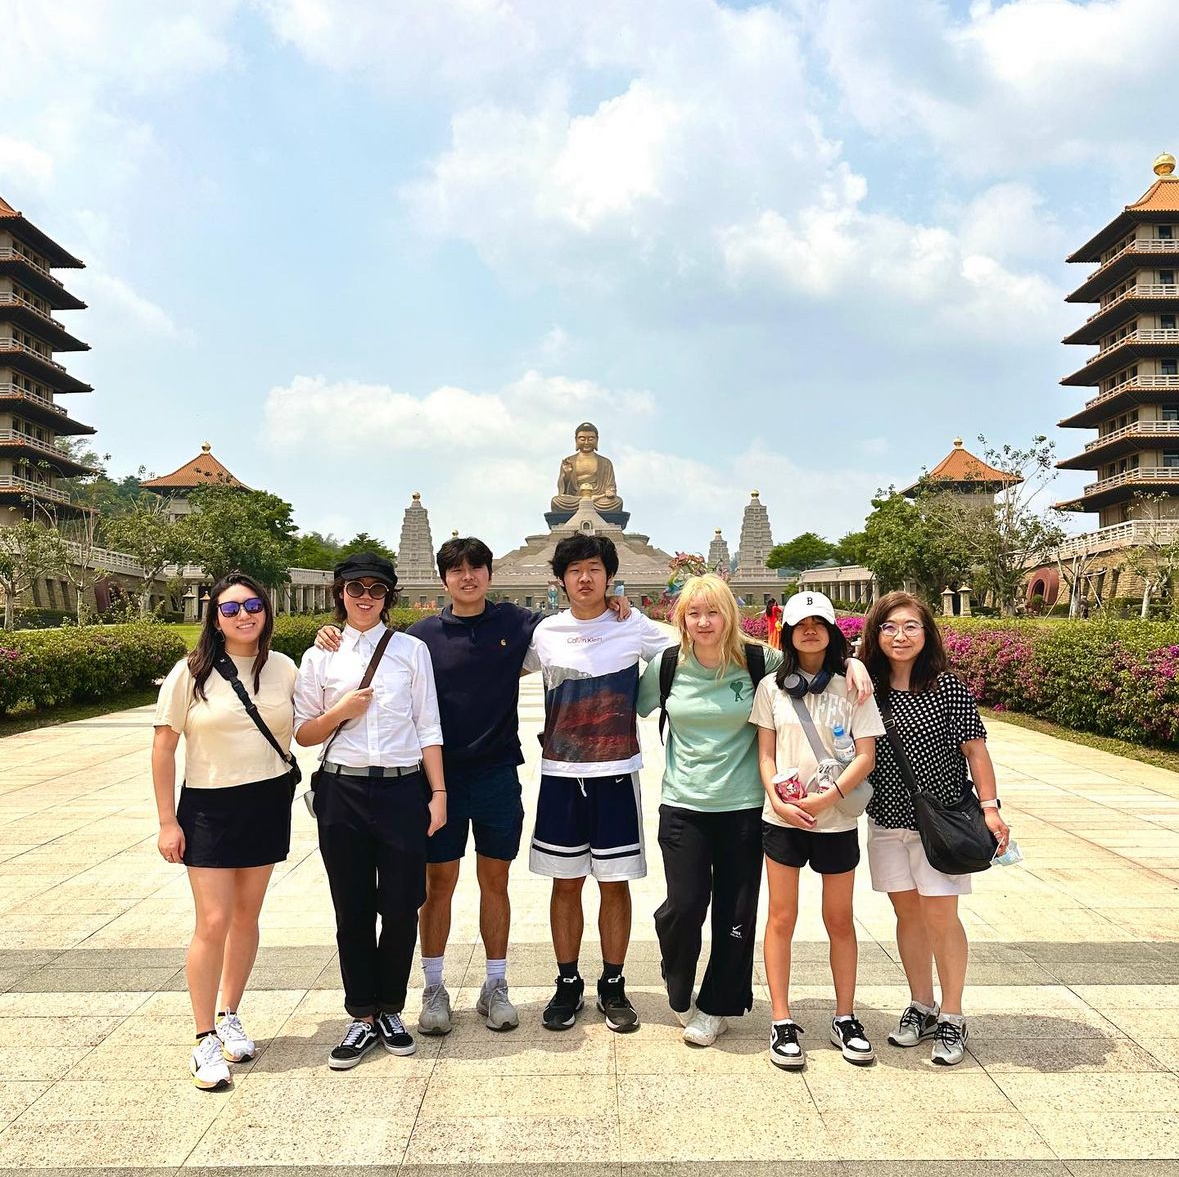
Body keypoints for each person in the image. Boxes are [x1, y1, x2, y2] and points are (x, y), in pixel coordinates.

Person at [314, 537, 629, 1037]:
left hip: (497, 773)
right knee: (436, 886)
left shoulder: (517, 623)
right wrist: (330, 632)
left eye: (476, 568)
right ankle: (434, 986)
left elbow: (577, 621)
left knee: (495, 882)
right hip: (437, 780)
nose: (467, 578)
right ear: (444, 579)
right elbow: (369, 644)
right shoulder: (420, 638)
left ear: (489, 574)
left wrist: (613, 605)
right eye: (456, 570)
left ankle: (495, 984)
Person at [294, 553, 446, 1070]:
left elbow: (429, 726)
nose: (366, 597)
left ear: (388, 597)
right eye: (356, 587)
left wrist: (439, 794)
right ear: (339, 593)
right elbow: (304, 732)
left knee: (402, 905)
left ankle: (390, 1010)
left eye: (377, 590)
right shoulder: (320, 656)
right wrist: (341, 711)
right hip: (343, 790)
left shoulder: (411, 651)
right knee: (352, 907)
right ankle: (360, 1014)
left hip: (404, 790)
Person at [152, 573, 298, 1091]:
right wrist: (168, 820)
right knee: (212, 920)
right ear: (214, 618)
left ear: (267, 611)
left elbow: (306, 724)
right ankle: (204, 1036)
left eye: (253, 605)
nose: (244, 615)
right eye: (230, 608)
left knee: (246, 915)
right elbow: (164, 748)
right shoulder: (190, 672)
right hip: (209, 807)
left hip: (266, 800)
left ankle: (231, 1010)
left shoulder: (283, 668)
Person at [526, 533, 671, 1032]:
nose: (584, 578)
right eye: (574, 570)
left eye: (594, 569)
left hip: (616, 773)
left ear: (610, 576)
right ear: (561, 580)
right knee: (565, 883)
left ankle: (613, 982)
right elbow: (490, 662)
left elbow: (698, 642)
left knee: (614, 882)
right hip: (560, 774)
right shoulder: (545, 631)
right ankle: (568, 982)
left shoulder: (633, 626)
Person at [859, 591, 1010, 1066]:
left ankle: (952, 1015)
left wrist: (990, 808)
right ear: (875, 634)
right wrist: (851, 665)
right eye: (889, 627)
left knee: (942, 918)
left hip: (939, 823)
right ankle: (921, 1005)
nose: (899, 636)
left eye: (910, 626)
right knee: (907, 916)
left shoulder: (948, 688)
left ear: (927, 634)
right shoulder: (868, 687)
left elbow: (976, 751)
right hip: (887, 821)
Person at [635, 574, 778, 1047]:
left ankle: (717, 1005)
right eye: (693, 613)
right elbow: (631, 704)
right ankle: (679, 986)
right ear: (681, 619)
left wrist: (854, 667)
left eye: (712, 612)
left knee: (736, 911)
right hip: (684, 804)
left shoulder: (760, 660)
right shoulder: (668, 665)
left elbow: (815, 669)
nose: (703, 622)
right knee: (685, 905)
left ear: (730, 615)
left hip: (744, 807)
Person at [750, 590, 884, 1070]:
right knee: (781, 918)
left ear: (831, 632)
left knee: (839, 920)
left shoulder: (852, 686)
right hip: (783, 819)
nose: (810, 630)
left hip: (835, 819)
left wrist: (829, 798)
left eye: (819, 624)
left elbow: (866, 755)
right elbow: (765, 755)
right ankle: (781, 1019)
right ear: (786, 632)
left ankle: (845, 1015)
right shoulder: (771, 687)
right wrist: (777, 800)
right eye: (800, 624)